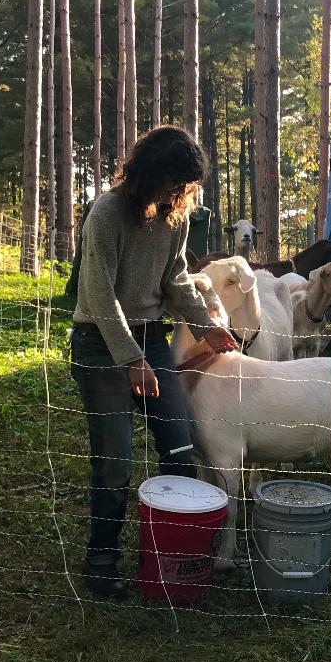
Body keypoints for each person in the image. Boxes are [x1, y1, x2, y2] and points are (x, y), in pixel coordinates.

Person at [71, 126, 238, 599]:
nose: (177, 193)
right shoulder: (106, 213)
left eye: (185, 186)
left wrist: (204, 324)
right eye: (171, 182)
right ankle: (100, 561)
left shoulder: (176, 216)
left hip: (150, 336)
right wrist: (131, 359)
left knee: (180, 446)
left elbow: (175, 277)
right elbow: (98, 294)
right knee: (114, 462)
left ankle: (172, 552)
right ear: (147, 171)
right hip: (99, 342)